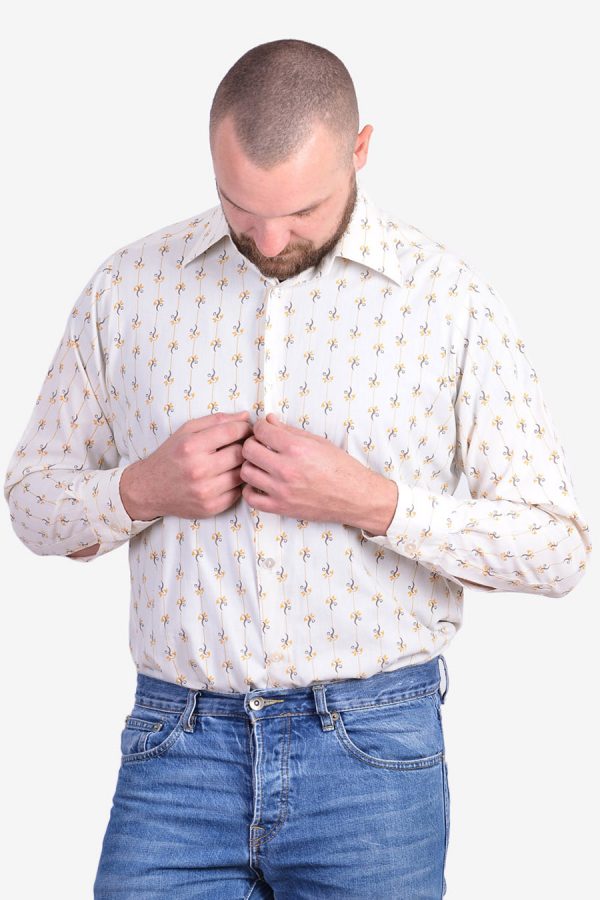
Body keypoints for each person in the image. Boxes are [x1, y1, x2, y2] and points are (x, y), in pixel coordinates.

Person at [4, 38, 591, 899]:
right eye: (239, 207)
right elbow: (30, 503)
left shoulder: (447, 302)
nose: (269, 239)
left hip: (371, 754)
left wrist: (377, 503)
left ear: (361, 150)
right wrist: (140, 490)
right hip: (176, 750)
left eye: (303, 210)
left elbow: (555, 548)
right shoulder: (128, 290)